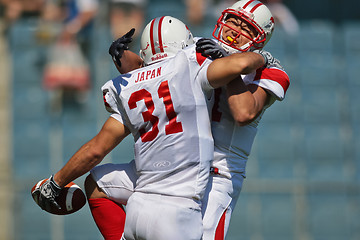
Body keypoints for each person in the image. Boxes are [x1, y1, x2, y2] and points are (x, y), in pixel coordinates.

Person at [33, 15, 267, 240]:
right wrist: (263, 59)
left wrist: (56, 182)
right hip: (178, 211)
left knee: (96, 181)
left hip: (138, 208)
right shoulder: (189, 66)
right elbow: (240, 64)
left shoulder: (130, 85)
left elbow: (96, 149)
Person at [85, 1, 289, 239]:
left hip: (217, 173)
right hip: (173, 164)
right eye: (233, 21)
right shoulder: (199, 47)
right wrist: (121, 56)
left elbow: (244, 113)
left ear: (260, 39)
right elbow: (152, 71)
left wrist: (229, 66)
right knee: (98, 184)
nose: (234, 30)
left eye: (246, 28)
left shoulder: (269, 71)